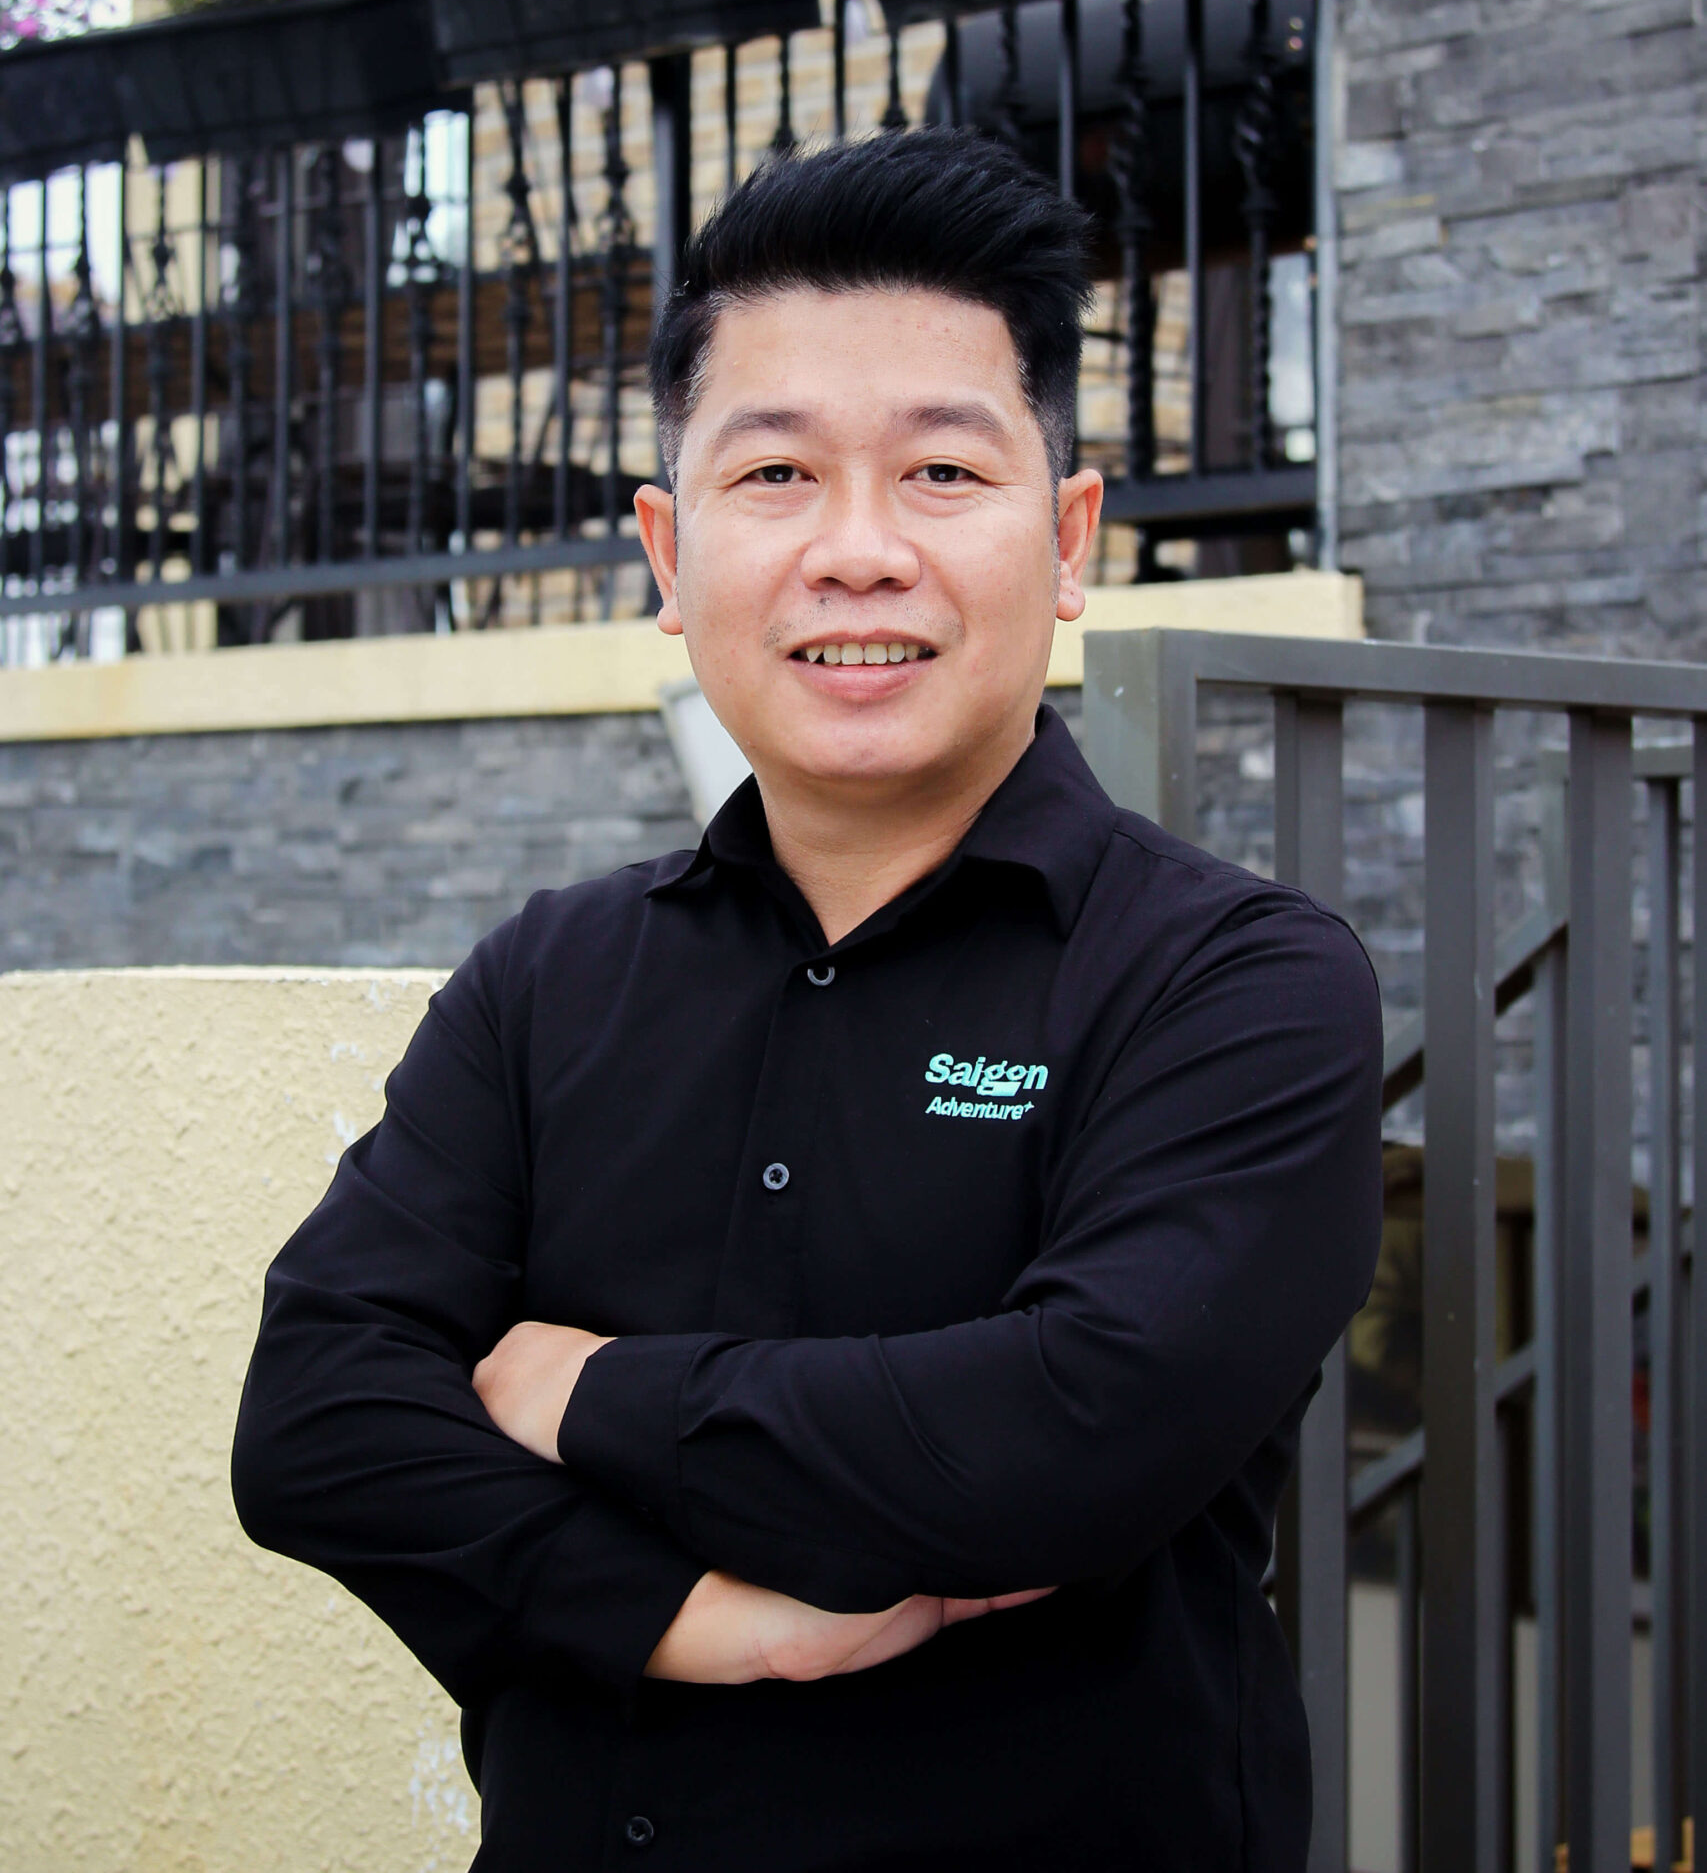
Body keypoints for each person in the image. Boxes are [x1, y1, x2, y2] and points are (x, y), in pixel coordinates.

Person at [232, 127, 1384, 1873]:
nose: (859, 551)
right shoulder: (548, 979)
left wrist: (583, 1391)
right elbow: (318, 1420)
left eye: (942, 472)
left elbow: (1065, 1437)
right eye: (775, 474)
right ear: (666, 552)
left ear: (1070, 538)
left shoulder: (1236, 984)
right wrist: (684, 1616)